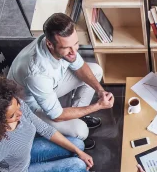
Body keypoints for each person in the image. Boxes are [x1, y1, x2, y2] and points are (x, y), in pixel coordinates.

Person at [0, 77, 114, 172]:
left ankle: (76, 167)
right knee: (77, 164)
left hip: (28, 153)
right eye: (12, 116)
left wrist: (78, 152)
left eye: (18, 107)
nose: (20, 113)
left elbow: (45, 129)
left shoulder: (14, 104)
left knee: (78, 144)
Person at [7, 13, 114, 150]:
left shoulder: (65, 47)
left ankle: (78, 116)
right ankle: (71, 136)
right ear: (50, 44)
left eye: (75, 44)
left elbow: (80, 66)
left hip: (51, 86)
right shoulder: (36, 73)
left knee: (96, 70)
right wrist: (97, 106)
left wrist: (100, 91)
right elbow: (56, 115)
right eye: (66, 48)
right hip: (32, 104)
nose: (74, 52)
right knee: (81, 131)